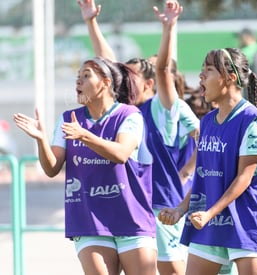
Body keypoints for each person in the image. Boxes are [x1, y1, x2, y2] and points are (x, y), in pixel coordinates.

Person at [77, 1, 200, 274]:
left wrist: (169, 28)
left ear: (147, 84)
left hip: (162, 204)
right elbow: (107, 62)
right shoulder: (123, 110)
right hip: (131, 207)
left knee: (171, 270)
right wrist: (91, 22)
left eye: (130, 75)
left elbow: (163, 69)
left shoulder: (161, 108)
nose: (122, 78)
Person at [13, 56, 157, 275]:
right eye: (77, 77)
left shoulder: (130, 116)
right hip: (90, 221)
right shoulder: (68, 119)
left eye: (86, 76)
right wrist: (41, 139)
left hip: (132, 219)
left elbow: (121, 153)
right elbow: (51, 169)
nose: (78, 82)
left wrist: (85, 135)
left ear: (106, 83)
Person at [158, 20, 257, 275]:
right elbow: (202, 176)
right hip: (210, 219)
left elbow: (245, 176)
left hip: (245, 220)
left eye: (208, 70)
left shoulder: (251, 120)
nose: (200, 76)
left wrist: (210, 212)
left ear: (230, 78)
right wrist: (180, 209)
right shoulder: (207, 122)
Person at [237, 27, 257, 99]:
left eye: (241, 37)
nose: (239, 39)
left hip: (252, 97)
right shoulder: (247, 50)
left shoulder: (250, 52)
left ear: (249, 37)